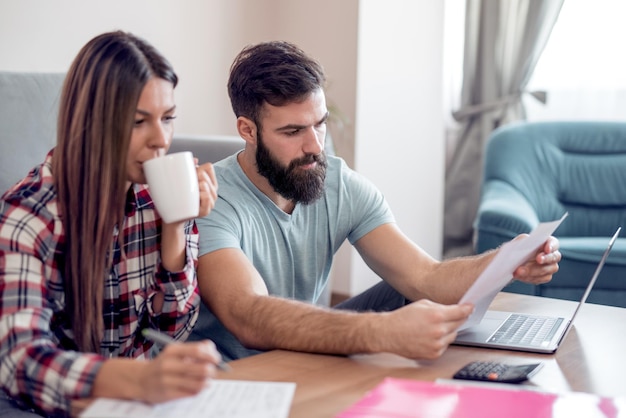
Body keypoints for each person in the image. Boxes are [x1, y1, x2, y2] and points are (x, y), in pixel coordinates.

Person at [189, 40, 561, 362]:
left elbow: (425, 277)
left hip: (304, 356)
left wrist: (505, 260)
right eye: (292, 131)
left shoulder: (339, 184)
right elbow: (247, 315)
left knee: (413, 295)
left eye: (319, 124)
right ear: (247, 130)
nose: (315, 146)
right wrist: (380, 332)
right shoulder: (211, 197)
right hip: (229, 373)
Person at [0, 31, 221, 417]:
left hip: (126, 402)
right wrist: (136, 381)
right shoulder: (28, 217)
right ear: (93, 121)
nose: (161, 140)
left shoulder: (159, 195)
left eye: (168, 118)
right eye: (139, 122)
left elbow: (173, 333)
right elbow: (20, 359)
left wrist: (175, 225)